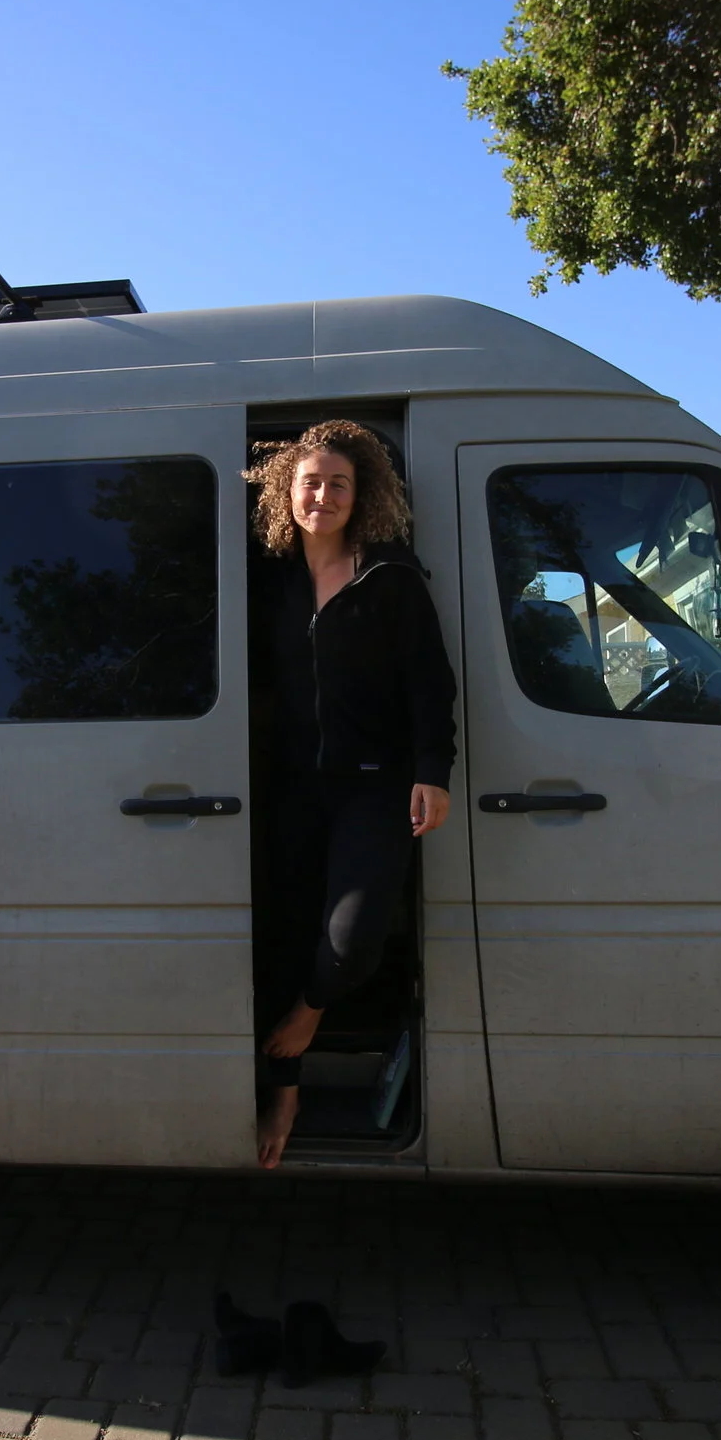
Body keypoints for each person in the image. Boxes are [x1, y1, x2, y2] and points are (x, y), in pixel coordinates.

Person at [245, 420, 455, 1168]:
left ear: (359, 494)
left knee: (351, 937)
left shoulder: (388, 573)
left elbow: (429, 681)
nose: (323, 494)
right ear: (288, 490)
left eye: (338, 483)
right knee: (280, 934)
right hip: (291, 789)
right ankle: (286, 1089)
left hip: (375, 787)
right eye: (311, 482)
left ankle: (306, 1016)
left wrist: (434, 769)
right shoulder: (267, 581)